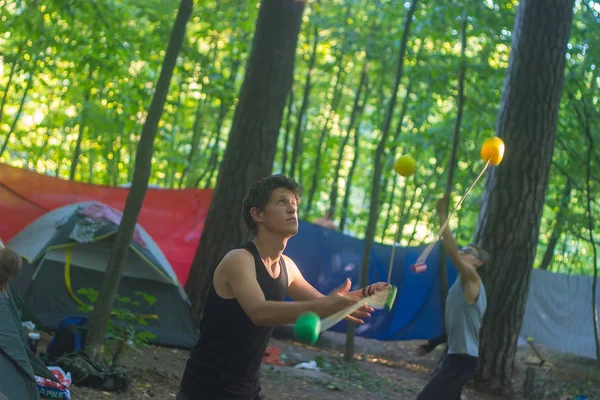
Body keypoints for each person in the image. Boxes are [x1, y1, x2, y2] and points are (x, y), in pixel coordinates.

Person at [177, 174, 389, 400]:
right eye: (282, 202)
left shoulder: (287, 267)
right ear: (258, 214)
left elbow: (321, 303)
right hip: (205, 390)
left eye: (294, 203)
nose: (292, 209)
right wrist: (326, 306)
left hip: (247, 392)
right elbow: (259, 312)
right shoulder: (239, 259)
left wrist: (362, 296)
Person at [416, 193, 489, 400]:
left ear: (478, 263)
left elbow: (452, 252)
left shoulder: (473, 280)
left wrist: (441, 214)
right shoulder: (462, 284)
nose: (463, 252)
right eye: (464, 250)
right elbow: (461, 325)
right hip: (457, 358)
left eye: (468, 252)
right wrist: (432, 343)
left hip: (463, 361)